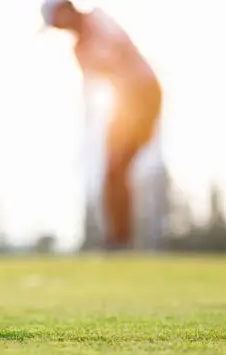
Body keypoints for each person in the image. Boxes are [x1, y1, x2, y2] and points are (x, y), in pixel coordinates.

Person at [41, 0, 163, 250]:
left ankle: (122, 239)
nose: (58, 28)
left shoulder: (98, 18)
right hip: (124, 104)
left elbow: (119, 53)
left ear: (66, 9)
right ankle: (119, 239)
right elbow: (92, 91)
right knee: (113, 171)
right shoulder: (79, 49)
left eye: (56, 21)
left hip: (144, 94)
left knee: (117, 166)